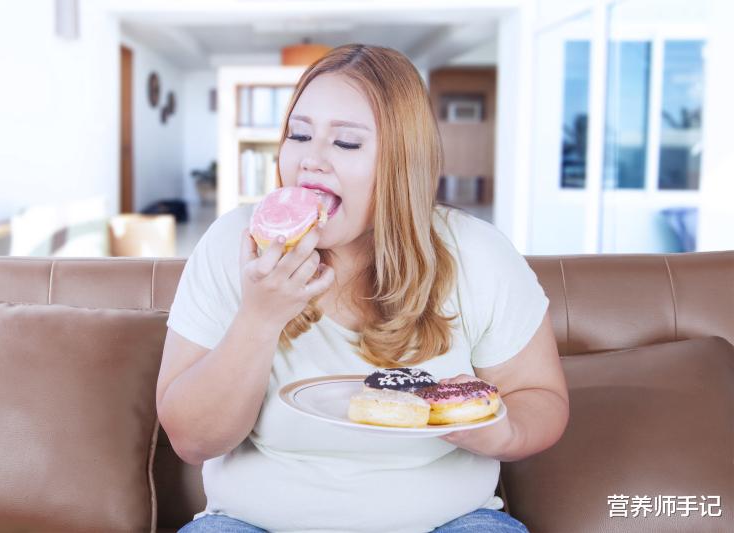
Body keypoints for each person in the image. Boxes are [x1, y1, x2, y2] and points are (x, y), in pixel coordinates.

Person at [157, 44, 569, 533]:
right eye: (300, 134)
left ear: (402, 163)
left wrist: (499, 433)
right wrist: (260, 317)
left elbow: (540, 396)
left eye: (346, 143)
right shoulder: (234, 244)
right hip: (252, 524)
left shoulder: (477, 254)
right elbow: (192, 441)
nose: (311, 160)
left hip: (450, 522)